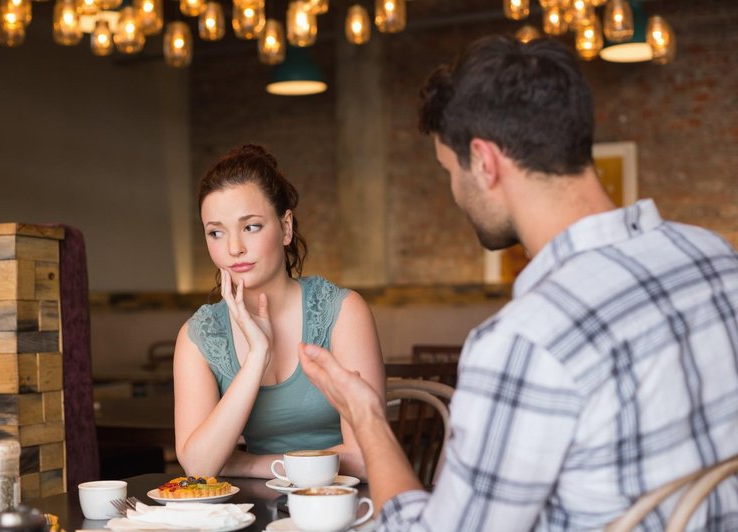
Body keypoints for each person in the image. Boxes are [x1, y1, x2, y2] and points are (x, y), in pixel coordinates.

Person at [299, 35, 738, 530]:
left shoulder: (524, 341)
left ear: (484, 162)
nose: (455, 192)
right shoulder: (714, 258)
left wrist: (366, 416)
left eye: (450, 170)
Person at [174, 144, 385, 479]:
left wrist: (242, 464)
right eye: (216, 232)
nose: (234, 248)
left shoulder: (343, 312)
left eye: (251, 226)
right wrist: (258, 355)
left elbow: (366, 456)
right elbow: (199, 466)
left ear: (285, 228)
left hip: (343, 506)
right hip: (250, 517)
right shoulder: (197, 335)